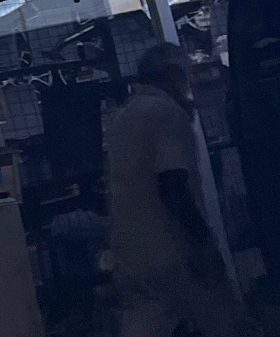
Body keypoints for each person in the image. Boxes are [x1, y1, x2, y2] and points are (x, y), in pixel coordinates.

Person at [103, 45, 243, 337]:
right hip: (171, 250)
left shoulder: (122, 116)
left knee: (144, 323)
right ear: (172, 74)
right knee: (220, 319)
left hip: (129, 253)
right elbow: (173, 185)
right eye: (186, 76)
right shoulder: (165, 113)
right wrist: (203, 244)